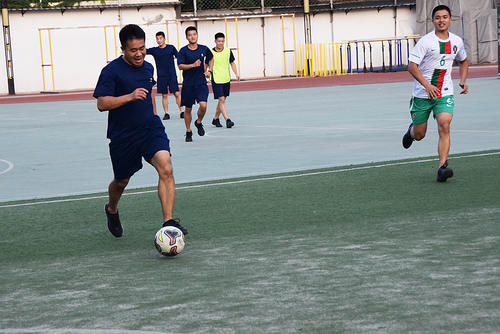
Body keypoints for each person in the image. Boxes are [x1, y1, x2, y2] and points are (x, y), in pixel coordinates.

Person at [93, 24, 187, 238]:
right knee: (121, 181)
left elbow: (148, 94)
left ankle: (168, 223)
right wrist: (129, 96)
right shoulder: (111, 71)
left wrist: (154, 117)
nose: (139, 54)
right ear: (123, 49)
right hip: (123, 134)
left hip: (150, 128)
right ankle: (112, 209)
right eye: (133, 50)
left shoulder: (147, 67)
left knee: (166, 167)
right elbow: (101, 103)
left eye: (142, 48)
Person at [402, 5, 468, 182]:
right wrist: (427, 85)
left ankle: (442, 167)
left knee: (444, 124)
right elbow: (412, 66)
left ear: (450, 19)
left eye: (445, 17)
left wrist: (463, 80)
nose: (441, 20)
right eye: (438, 17)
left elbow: (464, 60)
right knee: (419, 135)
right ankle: (411, 132)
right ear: (433, 21)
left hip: (444, 92)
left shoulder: (456, 41)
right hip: (423, 95)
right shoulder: (425, 41)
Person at [177, 26, 213, 142]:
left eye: (194, 34)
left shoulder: (203, 49)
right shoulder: (183, 51)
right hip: (188, 84)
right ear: (187, 37)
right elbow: (180, 66)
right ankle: (188, 131)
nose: (192, 36)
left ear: (197, 35)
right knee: (188, 109)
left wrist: (209, 71)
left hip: (201, 83)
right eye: (190, 35)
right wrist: (193, 65)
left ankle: (198, 122)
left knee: (203, 105)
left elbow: (211, 58)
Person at [146, 31, 184, 120]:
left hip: (172, 75)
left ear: (164, 38)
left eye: (160, 38)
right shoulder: (155, 50)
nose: (159, 40)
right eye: (157, 39)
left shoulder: (171, 48)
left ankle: (182, 111)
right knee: (164, 95)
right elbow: (143, 51)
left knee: (177, 93)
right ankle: (166, 113)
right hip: (161, 76)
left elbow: (179, 57)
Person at [208, 32, 240, 128]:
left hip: (226, 78)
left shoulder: (228, 51)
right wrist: (207, 74)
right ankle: (227, 120)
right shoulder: (211, 52)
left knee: (222, 100)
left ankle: (215, 119)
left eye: (222, 41)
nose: (221, 43)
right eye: (219, 41)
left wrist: (236, 73)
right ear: (215, 41)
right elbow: (207, 64)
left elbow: (232, 63)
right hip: (216, 79)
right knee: (221, 99)